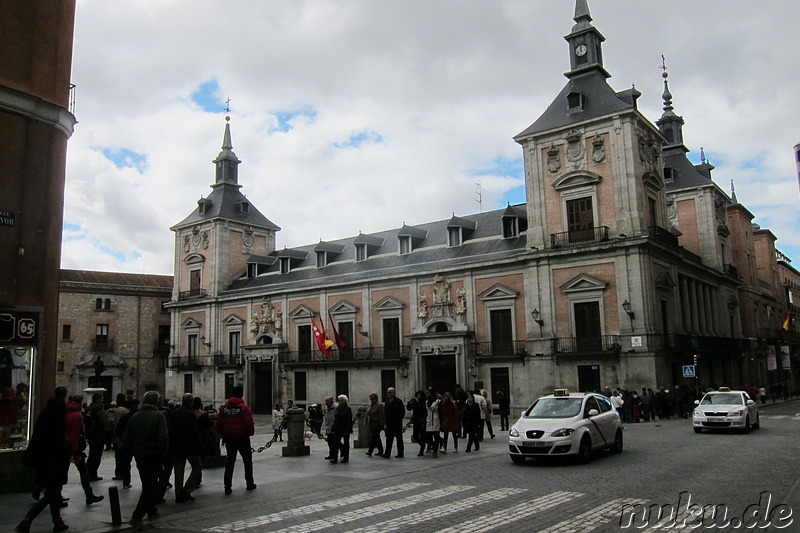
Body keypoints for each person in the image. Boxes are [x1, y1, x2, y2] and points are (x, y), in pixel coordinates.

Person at [15, 396, 71, 533]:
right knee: (51, 494)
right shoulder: (57, 421)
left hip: (43, 462)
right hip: (54, 463)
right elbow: (59, 444)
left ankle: (58, 522)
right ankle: (27, 520)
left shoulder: (44, 416)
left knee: (54, 494)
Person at [123, 390, 169, 530]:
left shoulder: (135, 417)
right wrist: (163, 454)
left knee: (147, 483)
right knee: (150, 487)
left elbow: (127, 438)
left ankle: (152, 510)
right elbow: (163, 438)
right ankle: (137, 517)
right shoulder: (159, 416)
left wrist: (130, 453)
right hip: (153, 455)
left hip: (139, 455)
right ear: (157, 402)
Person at [65, 394, 104, 506]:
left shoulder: (66, 412)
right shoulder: (77, 416)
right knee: (83, 472)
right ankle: (89, 495)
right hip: (73, 447)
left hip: (65, 445)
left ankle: (54, 494)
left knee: (64, 470)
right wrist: (76, 450)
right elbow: (74, 434)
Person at [216, 385, 256, 494]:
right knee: (247, 461)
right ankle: (249, 483)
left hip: (229, 438)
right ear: (241, 394)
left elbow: (218, 424)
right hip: (242, 438)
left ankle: (227, 486)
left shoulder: (224, 408)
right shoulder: (244, 408)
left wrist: (224, 433)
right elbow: (249, 424)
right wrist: (249, 433)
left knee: (230, 461)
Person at [171, 393, 202, 503]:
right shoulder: (190, 414)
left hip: (176, 446)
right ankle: (187, 490)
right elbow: (194, 432)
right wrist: (199, 446)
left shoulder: (175, 413)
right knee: (197, 466)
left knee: (178, 471)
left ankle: (178, 493)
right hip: (189, 447)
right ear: (191, 402)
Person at [86, 392, 111, 481]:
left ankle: (88, 472)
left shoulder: (88, 409)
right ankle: (93, 474)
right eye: (101, 398)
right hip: (99, 435)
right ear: (97, 400)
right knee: (96, 456)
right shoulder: (100, 410)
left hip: (90, 435)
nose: (103, 400)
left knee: (91, 455)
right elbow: (106, 423)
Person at [110, 393, 130, 483]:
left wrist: (116, 437)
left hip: (120, 436)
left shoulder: (119, 411)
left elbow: (116, 425)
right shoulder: (126, 410)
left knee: (119, 456)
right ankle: (123, 473)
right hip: (126, 435)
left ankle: (119, 473)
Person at [381, 387, 405, 459]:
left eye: (390, 392)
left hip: (397, 423)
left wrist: (398, 418)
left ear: (394, 393)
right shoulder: (387, 401)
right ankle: (387, 453)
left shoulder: (398, 401)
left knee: (399, 438)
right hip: (389, 423)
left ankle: (400, 453)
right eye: (388, 392)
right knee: (389, 439)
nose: (388, 394)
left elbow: (402, 411)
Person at [330, 394, 353, 464]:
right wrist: (333, 428)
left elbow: (349, 420)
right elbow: (335, 419)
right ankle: (335, 458)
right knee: (336, 443)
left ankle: (346, 458)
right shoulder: (337, 408)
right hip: (338, 428)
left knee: (346, 444)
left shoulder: (348, 409)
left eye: (341, 400)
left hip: (345, 428)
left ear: (345, 401)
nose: (340, 402)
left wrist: (347, 430)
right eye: (339, 400)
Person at [364, 392, 385, 457]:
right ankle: (380, 450)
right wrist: (366, 422)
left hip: (377, 423)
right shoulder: (369, 406)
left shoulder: (379, 405)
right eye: (370, 398)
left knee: (374, 437)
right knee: (376, 437)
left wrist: (383, 424)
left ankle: (370, 451)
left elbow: (382, 415)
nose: (371, 400)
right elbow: (367, 414)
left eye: (373, 398)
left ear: (376, 398)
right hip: (372, 423)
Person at [407, 390, 427, 456]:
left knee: (423, 435)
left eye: (420, 395)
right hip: (416, 421)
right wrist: (410, 402)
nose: (418, 397)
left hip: (422, 421)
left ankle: (421, 450)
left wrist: (423, 421)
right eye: (417, 395)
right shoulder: (415, 402)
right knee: (415, 436)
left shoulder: (424, 403)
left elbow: (422, 410)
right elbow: (409, 408)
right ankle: (423, 445)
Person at [424, 388, 442, 458]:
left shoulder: (437, 402)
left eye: (428, 393)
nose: (427, 395)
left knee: (436, 436)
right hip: (429, 420)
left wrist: (442, 421)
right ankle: (433, 444)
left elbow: (440, 412)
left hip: (436, 420)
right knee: (428, 436)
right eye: (426, 393)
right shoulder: (426, 402)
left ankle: (435, 450)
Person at [322, 396, 337, 460]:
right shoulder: (326, 407)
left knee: (335, 442)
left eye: (327, 401)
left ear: (331, 401)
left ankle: (335, 455)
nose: (326, 403)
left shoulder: (336, 407)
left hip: (334, 427)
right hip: (328, 427)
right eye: (325, 401)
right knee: (330, 441)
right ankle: (331, 454)